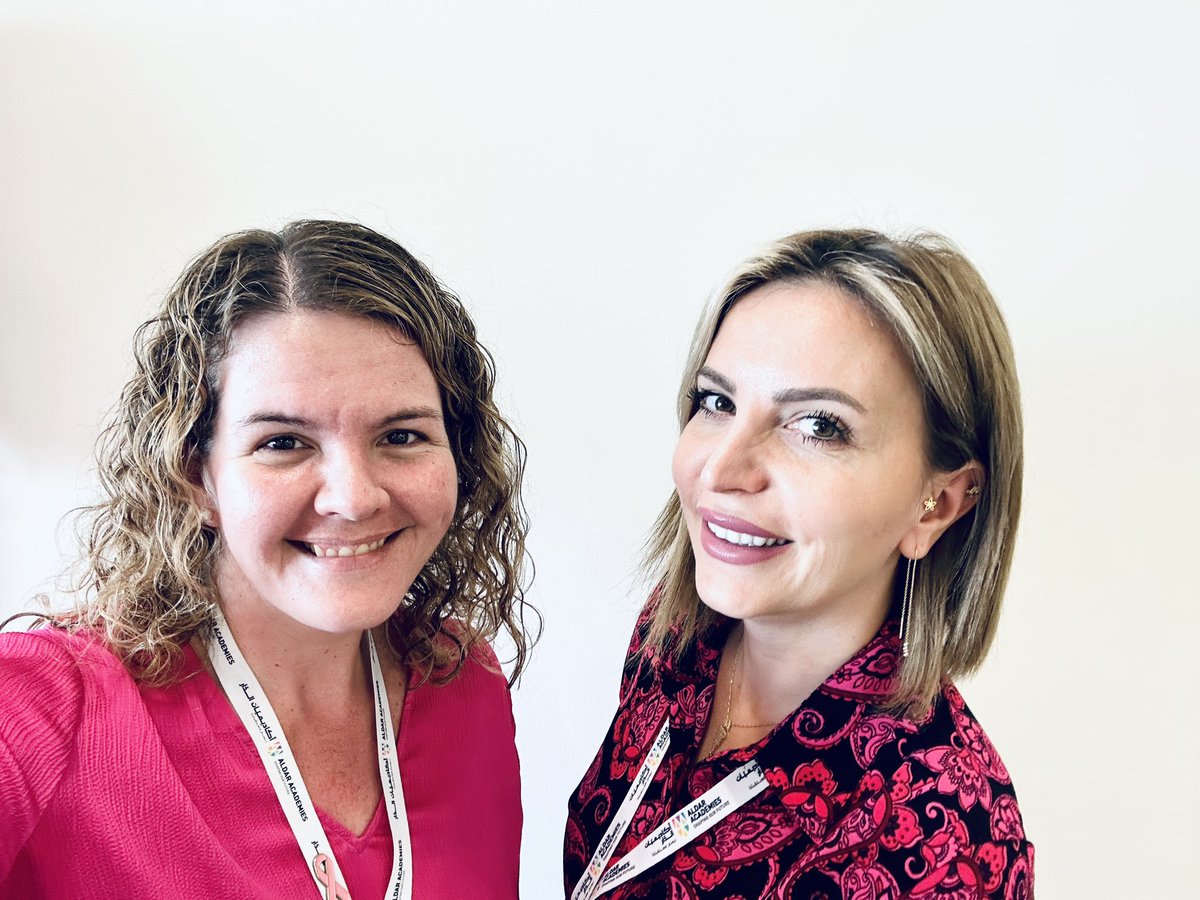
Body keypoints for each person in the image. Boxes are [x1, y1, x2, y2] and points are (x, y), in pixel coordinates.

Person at [0, 220, 536, 898]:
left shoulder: (462, 682)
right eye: (284, 443)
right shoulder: (48, 702)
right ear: (195, 476)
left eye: (401, 435)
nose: (353, 498)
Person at [564, 229, 1034, 899]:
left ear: (937, 506)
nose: (721, 470)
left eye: (818, 426)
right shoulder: (672, 638)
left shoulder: (944, 838)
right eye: (716, 402)